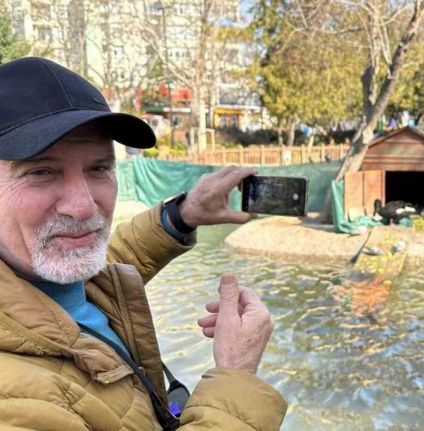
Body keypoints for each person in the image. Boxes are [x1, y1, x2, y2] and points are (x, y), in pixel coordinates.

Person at [0, 57, 287, 429]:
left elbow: (103, 271)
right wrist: (236, 374)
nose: (83, 205)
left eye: (99, 168)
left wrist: (184, 214)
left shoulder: (44, 276)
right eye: (41, 172)